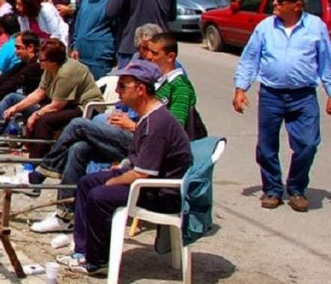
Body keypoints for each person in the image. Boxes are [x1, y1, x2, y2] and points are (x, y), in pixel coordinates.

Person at [20, 40, 198, 234]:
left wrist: (131, 126)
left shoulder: (179, 87)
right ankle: (66, 214)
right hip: (136, 139)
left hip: (146, 148)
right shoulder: (159, 81)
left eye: (154, 53)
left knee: (79, 125)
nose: (148, 57)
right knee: (79, 148)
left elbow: (171, 130)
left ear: (170, 56)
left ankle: (39, 174)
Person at [56, 61, 193, 276]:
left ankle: (98, 260)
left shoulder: (156, 124)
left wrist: (113, 180)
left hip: (161, 192)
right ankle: (83, 250)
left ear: (140, 90)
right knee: (86, 183)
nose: (118, 91)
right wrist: (118, 169)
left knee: (99, 195)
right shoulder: (147, 117)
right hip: (146, 181)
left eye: (123, 86)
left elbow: (143, 173)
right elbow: (135, 160)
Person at [233, 0, 331, 212]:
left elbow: (326, 61)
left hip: (303, 96)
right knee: (266, 147)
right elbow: (250, 59)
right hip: (271, 95)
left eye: (281, 1)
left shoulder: (315, 27)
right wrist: (241, 88)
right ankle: (272, 189)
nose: (275, 3)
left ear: (297, 5)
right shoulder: (265, 27)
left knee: (308, 144)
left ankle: (296, 188)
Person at [0, 38, 101, 158]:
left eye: (41, 59)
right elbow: (39, 93)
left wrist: (35, 115)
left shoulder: (66, 72)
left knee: (43, 121)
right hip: (68, 104)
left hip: (85, 107)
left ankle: (38, 162)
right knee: (30, 112)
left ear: (53, 61)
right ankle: (31, 150)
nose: (38, 61)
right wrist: (15, 108)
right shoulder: (49, 68)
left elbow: (57, 105)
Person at [70, 0, 116, 79]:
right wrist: (75, 46)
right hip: (81, 55)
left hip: (99, 57)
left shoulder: (112, 0)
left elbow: (117, 28)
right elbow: (78, 24)